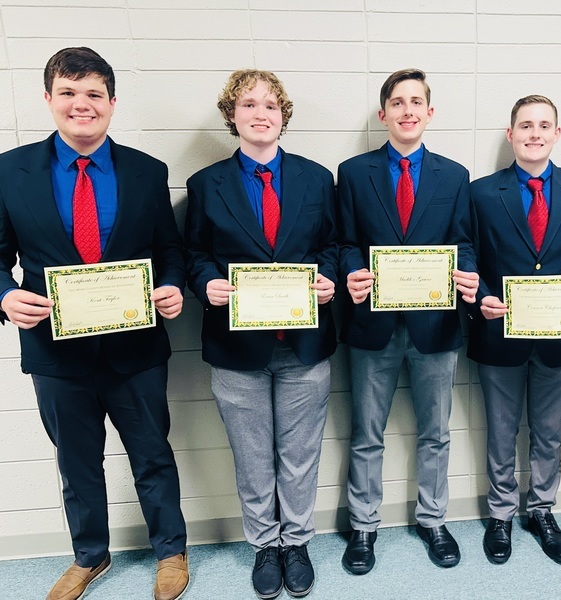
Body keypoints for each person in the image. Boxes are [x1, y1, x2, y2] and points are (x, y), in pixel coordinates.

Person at [0, 47, 188, 600]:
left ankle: (171, 550)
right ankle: (90, 556)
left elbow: (169, 251)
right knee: (76, 460)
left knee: (153, 453)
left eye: (93, 94)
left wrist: (174, 286)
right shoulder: (9, 171)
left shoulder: (148, 172)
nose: (81, 104)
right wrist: (6, 296)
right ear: (48, 99)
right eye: (68, 93)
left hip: (137, 349)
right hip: (54, 353)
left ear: (111, 102)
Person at [184, 69, 337, 599]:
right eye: (248, 104)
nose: (260, 113)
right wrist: (207, 285)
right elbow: (194, 255)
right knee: (251, 455)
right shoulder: (206, 185)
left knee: (300, 453)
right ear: (232, 115)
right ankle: (264, 546)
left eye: (270, 104)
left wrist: (329, 278)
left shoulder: (318, 179)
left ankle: (296, 541)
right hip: (236, 347)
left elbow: (334, 246)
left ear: (283, 115)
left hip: (304, 344)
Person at [337, 68, 479, 574]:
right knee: (366, 431)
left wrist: (468, 273)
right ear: (384, 114)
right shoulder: (353, 173)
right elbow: (345, 240)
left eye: (416, 101)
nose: (407, 110)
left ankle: (433, 519)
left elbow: (463, 240)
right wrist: (353, 270)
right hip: (372, 323)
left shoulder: (454, 175)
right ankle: (363, 526)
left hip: (435, 324)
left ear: (430, 112)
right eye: (397, 102)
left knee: (435, 431)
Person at [469, 95, 561, 566]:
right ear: (510, 134)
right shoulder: (479, 192)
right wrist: (480, 297)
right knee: (500, 430)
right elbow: (467, 255)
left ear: (558, 134)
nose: (534, 133)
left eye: (544, 125)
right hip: (500, 332)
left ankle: (541, 511)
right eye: (525, 125)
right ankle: (500, 514)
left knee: (549, 432)